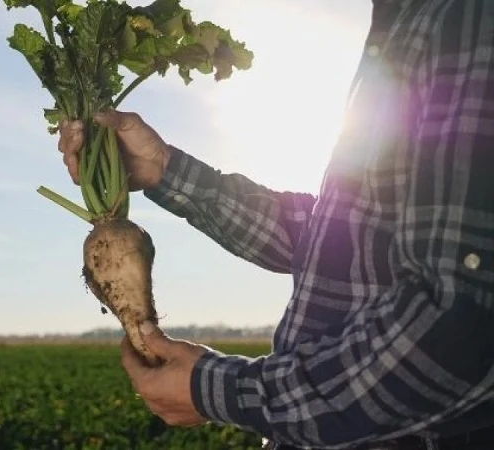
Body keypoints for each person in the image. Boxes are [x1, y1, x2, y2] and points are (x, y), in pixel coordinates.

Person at [56, 1, 494, 449]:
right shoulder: (405, 22)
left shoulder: (466, 19)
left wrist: (220, 391)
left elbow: (459, 331)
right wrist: (164, 169)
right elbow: (340, 238)